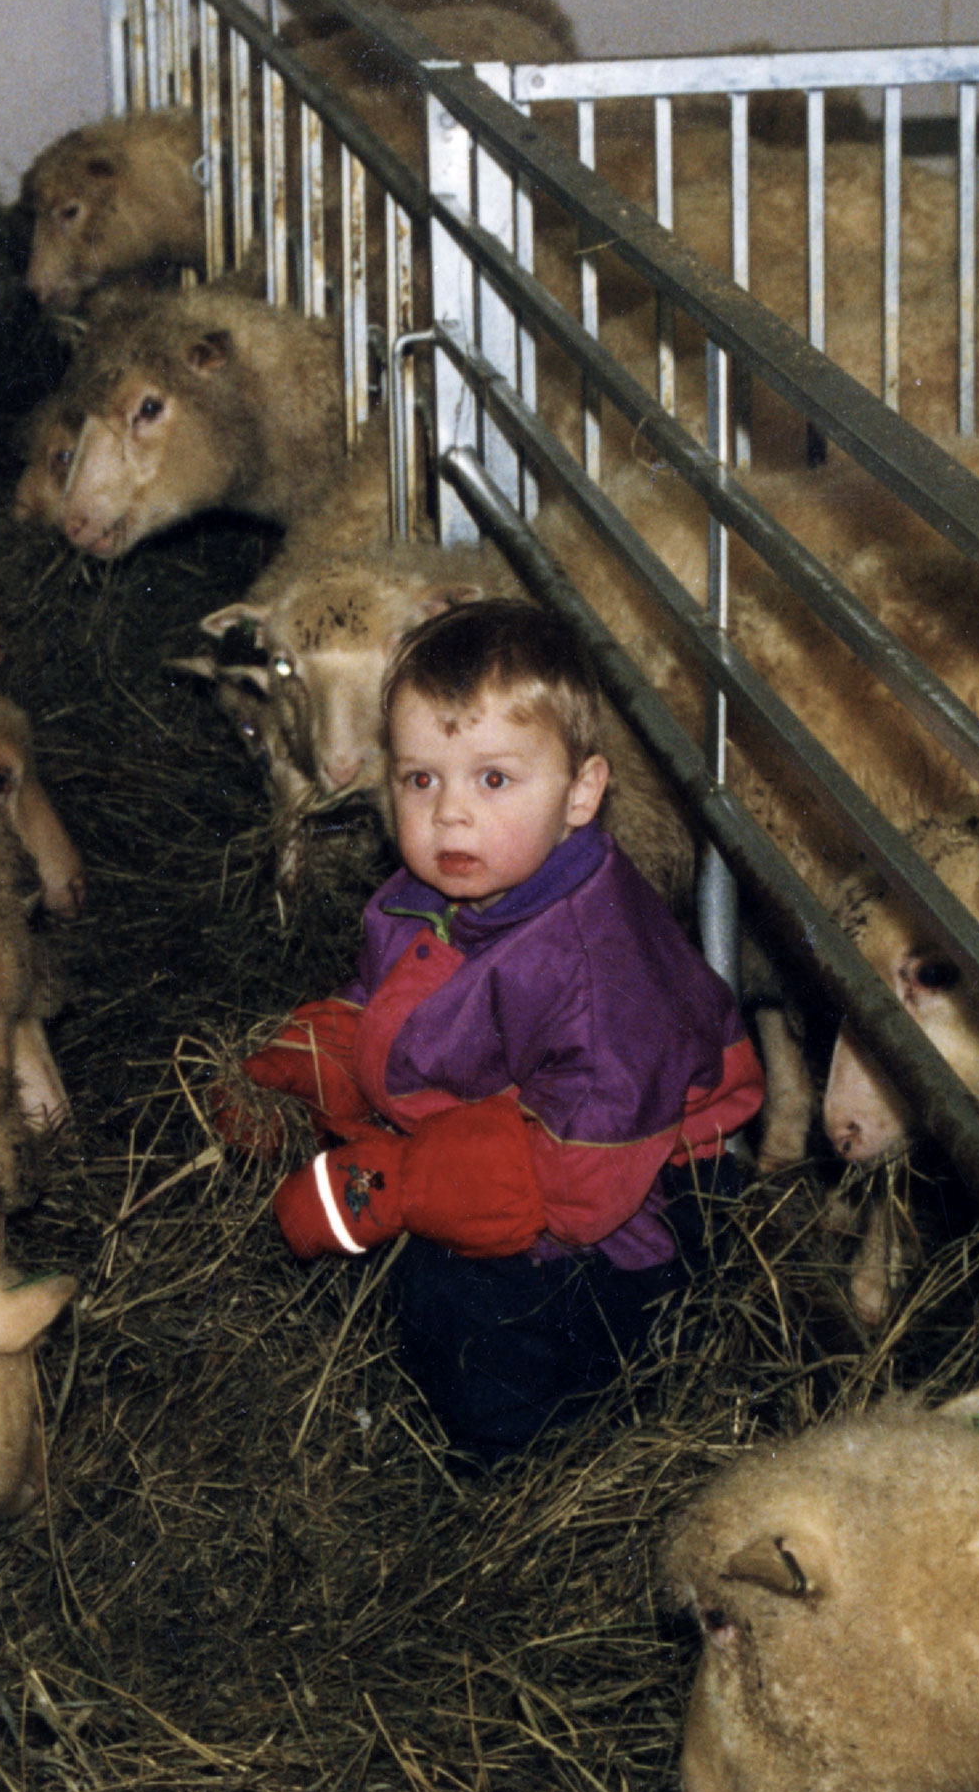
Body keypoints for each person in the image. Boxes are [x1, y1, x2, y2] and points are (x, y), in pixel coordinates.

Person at [240, 597, 762, 1466]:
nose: (449, 814)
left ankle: (514, 1464)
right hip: (515, 1134)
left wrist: (391, 1188)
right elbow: (388, 995)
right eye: (420, 779)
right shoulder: (444, 889)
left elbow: (576, 1186)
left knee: (465, 1308)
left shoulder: (595, 973)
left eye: (493, 778)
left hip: (635, 1218)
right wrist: (304, 1063)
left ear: (582, 792)